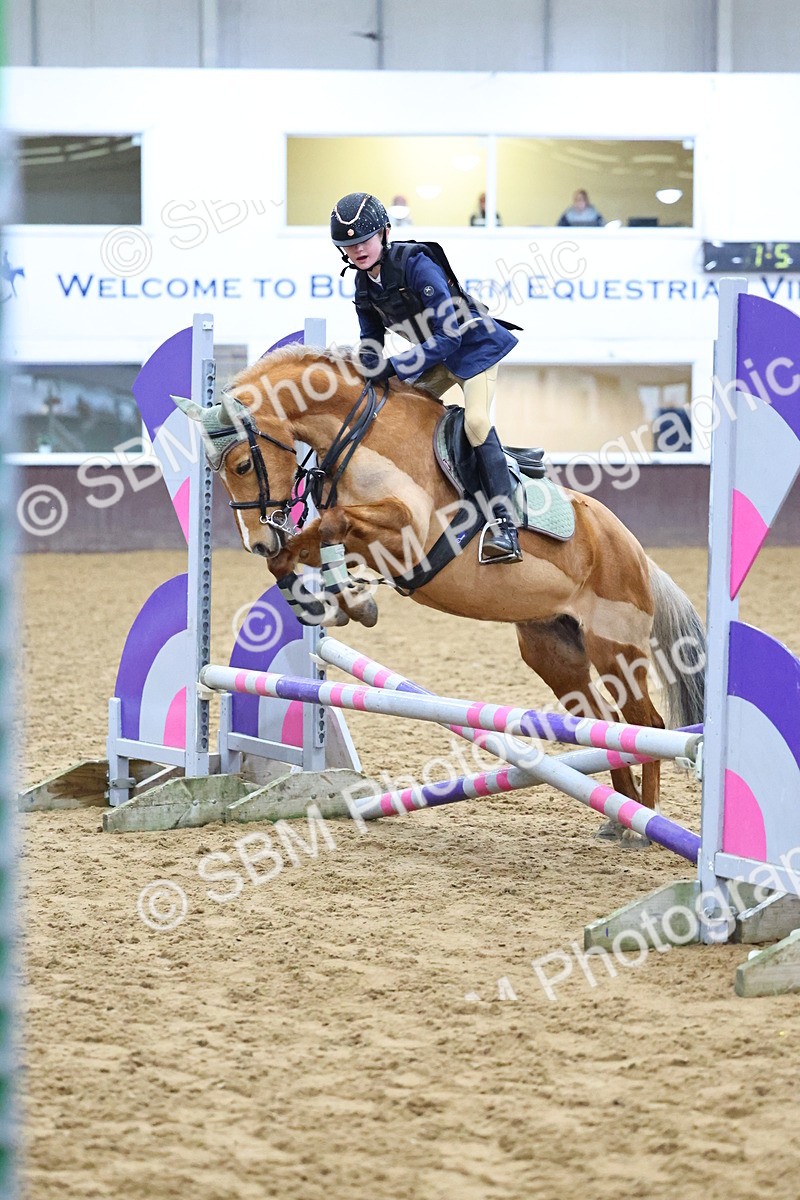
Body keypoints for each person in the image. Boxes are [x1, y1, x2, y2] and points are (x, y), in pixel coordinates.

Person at [330, 191, 521, 564]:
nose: (357, 250)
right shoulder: (363, 285)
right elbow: (371, 343)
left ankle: (505, 524)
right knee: (392, 413)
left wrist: (394, 367)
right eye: (349, 245)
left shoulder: (417, 266)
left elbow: (450, 338)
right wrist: (362, 370)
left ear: (385, 233)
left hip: (474, 350)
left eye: (364, 240)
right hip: (435, 359)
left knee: (476, 421)